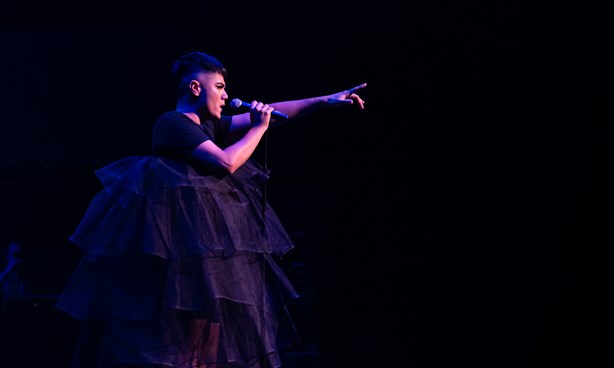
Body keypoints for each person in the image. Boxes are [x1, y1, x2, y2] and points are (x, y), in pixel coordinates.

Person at [55, 50, 366, 368]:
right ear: (195, 88)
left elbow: (273, 111)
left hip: (205, 255)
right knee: (187, 343)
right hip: (182, 259)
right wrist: (257, 129)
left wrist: (326, 100)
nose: (226, 94)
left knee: (210, 337)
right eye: (219, 87)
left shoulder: (208, 127)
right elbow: (226, 162)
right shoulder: (173, 124)